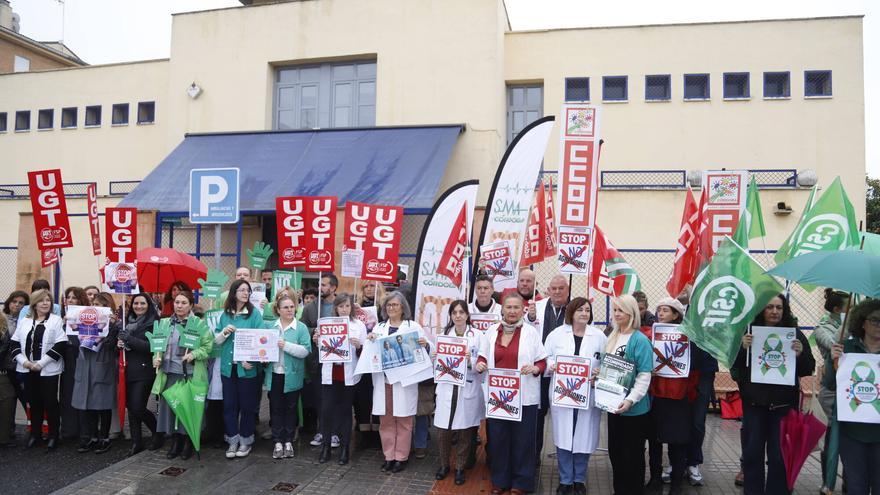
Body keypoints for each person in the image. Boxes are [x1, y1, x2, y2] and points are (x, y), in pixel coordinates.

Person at [731, 294, 814, 495]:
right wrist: (742, 349)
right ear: (762, 310)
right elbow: (735, 370)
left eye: (779, 307)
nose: (775, 311)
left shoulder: (794, 334)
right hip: (754, 407)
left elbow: (808, 368)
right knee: (752, 455)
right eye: (770, 307)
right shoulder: (748, 333)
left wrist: (801, 353)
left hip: (784, 408)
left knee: (780, 458)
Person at [475, 292, 547, 495]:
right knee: (498, 439)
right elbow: (482, 356)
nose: (513, 311)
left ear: (522, 310)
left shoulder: (531, 332)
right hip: (498, 398)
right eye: (509, 307)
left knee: (523, 441)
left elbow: (542, 361)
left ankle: (521, 482)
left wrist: (535, 369)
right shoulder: (490, 332)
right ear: (502, 309)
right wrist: (480, 364)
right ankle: (500, 480)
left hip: (524, 398)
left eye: (517, 307)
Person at [543, 297, 606, 495]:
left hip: (588, 394)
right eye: (580, 310)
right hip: (563, 394)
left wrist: (600, 372)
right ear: (571, 312)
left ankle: (579, 479)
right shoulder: (556, 335)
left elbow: (605, 362)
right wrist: (551, 365)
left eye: (587, 310)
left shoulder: (598, 336)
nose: (584, 314)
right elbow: (545, 358)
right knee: (564, 436)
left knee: (583, 437)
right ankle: (565, 480)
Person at [369, 291, 432, 474]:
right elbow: (370, 354)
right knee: (386, 420)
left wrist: (425, 345)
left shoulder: (413, 327)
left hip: (404, 382)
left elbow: (427, 350)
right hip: (384, 382)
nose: (391, 308)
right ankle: (389, 456)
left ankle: (401, 457)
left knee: (404, 420)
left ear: (403, 307)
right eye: (388, 305)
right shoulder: (379, 328)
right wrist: (370, 341)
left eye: (395, 305)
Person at [642, 297, 697, 495]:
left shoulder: (689, 336)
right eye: (659, 310)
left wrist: (689, 392)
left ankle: (676, 483)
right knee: (654, 441)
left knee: (677, 443)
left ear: (676, 315)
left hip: (678, 395)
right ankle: (655, 479)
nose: (661, 314)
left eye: (665, 310)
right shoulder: (650, 334)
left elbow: (694, 367)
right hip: (656, 394)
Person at [152, 289, 213, 460]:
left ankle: (188, 442)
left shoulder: (199, 324)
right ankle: (175, 441)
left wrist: (194, 354)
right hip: (169, 372)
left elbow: (208, 347)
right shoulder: (164, 323)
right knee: (172, 408)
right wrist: (156, 359)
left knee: (186, 408)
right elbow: (157, 346)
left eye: (184, 303)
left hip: (189, 373)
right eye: (177, 302)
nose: (179, 306)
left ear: (191, 305)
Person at [827, 299, 880, 494]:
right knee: (856, 486)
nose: (879, 325)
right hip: (852, 432)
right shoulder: (845, 349)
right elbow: (829, 384)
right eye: (875, 320)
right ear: (863, 322)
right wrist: (832, 361)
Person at [605, 294, 654, 495]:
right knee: (615, 454)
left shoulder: (640, 340)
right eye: (615, 310)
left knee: (632, 456)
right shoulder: (613, 336)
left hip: (633, 411)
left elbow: (644, 375)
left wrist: (630, 400)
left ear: (631, 312)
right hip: (613, 407)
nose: (617, 314)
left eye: (621, 310)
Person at [432, 300, 483, 485]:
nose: (458, 315)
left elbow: (482, 364)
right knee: (443, 431)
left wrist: (471, 360)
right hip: (447, 387)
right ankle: (444, 465)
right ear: (451, 315)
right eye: (454, 312)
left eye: (461, 312)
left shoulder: (477, 335)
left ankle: (460, 467)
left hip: (467, 386)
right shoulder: (444, 335)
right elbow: (436, 364)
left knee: (464, 432)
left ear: (467, 315)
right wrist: (435, 357)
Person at [214, 279, 265, 459]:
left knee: (247, 406)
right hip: (228, 369)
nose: (246, 293)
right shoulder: (225, 315)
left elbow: (262, 340)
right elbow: (216, 342)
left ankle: (245, 440)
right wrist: (224, 332)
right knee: (229, 406)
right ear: (234, 292)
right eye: (242, 290)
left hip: (247, 369)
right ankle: (232, 440)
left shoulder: (254, 314)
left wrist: (251, 358)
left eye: (248, 290)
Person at [10, 289, 67, 450]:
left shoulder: (56, 320)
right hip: (27, 368)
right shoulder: (25, 321)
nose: (45, 303)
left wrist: (41, 363)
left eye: (48, 300)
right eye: (41, 300)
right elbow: (14, 344)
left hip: (48, 370)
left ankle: (53, 436)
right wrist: (25, 362)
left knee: (50, 402)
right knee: (34, 403)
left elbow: (61, 343)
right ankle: (35, 435)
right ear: (34, 304)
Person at [316, 293, 366, 465]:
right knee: (327, 410)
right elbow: (322, 349)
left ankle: (345, 447)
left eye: (347, 306)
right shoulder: (326, 323)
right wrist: (317, 340)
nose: (344, 309)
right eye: (341, 306)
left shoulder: (359, 325)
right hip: (330, 374)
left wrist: (359, 345)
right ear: (335, 308)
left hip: (348, 375)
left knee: (345, 412)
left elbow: (364, 353)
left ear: (351, 307)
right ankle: (326, 446)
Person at [527, 274, 569, 467]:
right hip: (541, 371)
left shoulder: (575, 308)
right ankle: (534, 455)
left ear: (567, 290)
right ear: (549, 290)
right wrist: (530, 317)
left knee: (563, 416)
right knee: (537, 415)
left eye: (561, 288)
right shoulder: (537, 307)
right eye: (554, 288)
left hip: (565, 373)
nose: (558, 291)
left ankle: (565, 458)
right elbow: (526, 333)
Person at [71, 293, 119, 454]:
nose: (97, 307)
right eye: (95, 304)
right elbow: (73, 339)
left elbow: (113, 346)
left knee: (103, 402)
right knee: (87, 401)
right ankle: (91, 437)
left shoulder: (114, 324)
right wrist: (70, 323)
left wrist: (111, 327)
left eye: (102, 305)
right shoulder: (84, 319)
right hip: (86, 363)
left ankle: (104, 437)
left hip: (103, 363)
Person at [266, 292, 311, 460]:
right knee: (276, 409)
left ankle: (288, 441)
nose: (290, 310)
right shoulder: (270, 327)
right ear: (278, 310)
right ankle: (278, 441)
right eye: (285, 307)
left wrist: (286, 346)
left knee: (291, 409)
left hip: (292, 376)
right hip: (275, 375)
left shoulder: (301, 328)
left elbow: (305, 351)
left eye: (292, 307)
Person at [813, 288, 849, 494]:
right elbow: (835, 344)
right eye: (848, 308)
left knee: (851, 438)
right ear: (837, 310)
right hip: (832, 390)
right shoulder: (822, 328)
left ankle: (849, 479)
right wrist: (847, 324)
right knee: (830, 439)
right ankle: (828, 481)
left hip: (850, 390)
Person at [117, 293, 160, 456]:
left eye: (142, 303)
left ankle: (157, 431)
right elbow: (121, 346)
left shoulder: (154, 323)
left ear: (148, 305)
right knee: (131, 407)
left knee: (138, 406)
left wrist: (129, 339)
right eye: (136, 303)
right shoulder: (126, 323)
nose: (139, 306)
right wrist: (120, 343)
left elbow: (152, 347)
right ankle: (137, 441)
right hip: (127, 370)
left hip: (144, 370)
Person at [301, 273, 338, 447]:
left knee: (335, 398)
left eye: (324, 285)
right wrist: (314, 332)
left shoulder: (342, 305)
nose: (320, 288)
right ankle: (322, 431)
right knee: (320, 397)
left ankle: (335, 432)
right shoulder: (310, 308)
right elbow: (302, 328)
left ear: (333, 288)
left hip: (337, 360)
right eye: (320, 284)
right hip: (317, 360)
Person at [60, 286, 89, 441]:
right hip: (67, 361)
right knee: (67, 394)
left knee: (82, 396)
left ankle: (85, 432)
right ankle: (68, 430)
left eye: (74, 297)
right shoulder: (60, 318)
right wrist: (62, 325)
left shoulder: (88, 316)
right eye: (68, 298)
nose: (70, 300)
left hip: (81, 358)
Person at [3, 290, 28, 426]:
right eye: (14, 302)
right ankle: (8, 430)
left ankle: (34, 428)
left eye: (21, 303)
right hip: (6, 367)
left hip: (22, 366)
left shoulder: (27, 320)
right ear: (9, 302)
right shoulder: (2, 318)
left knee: (25, 398)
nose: (17, 305)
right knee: (8, 400)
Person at [0, 315, 15, 447]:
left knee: (8, 400)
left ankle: (4, 438)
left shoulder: (2, 324)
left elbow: (4, 348)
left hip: (2, 371)